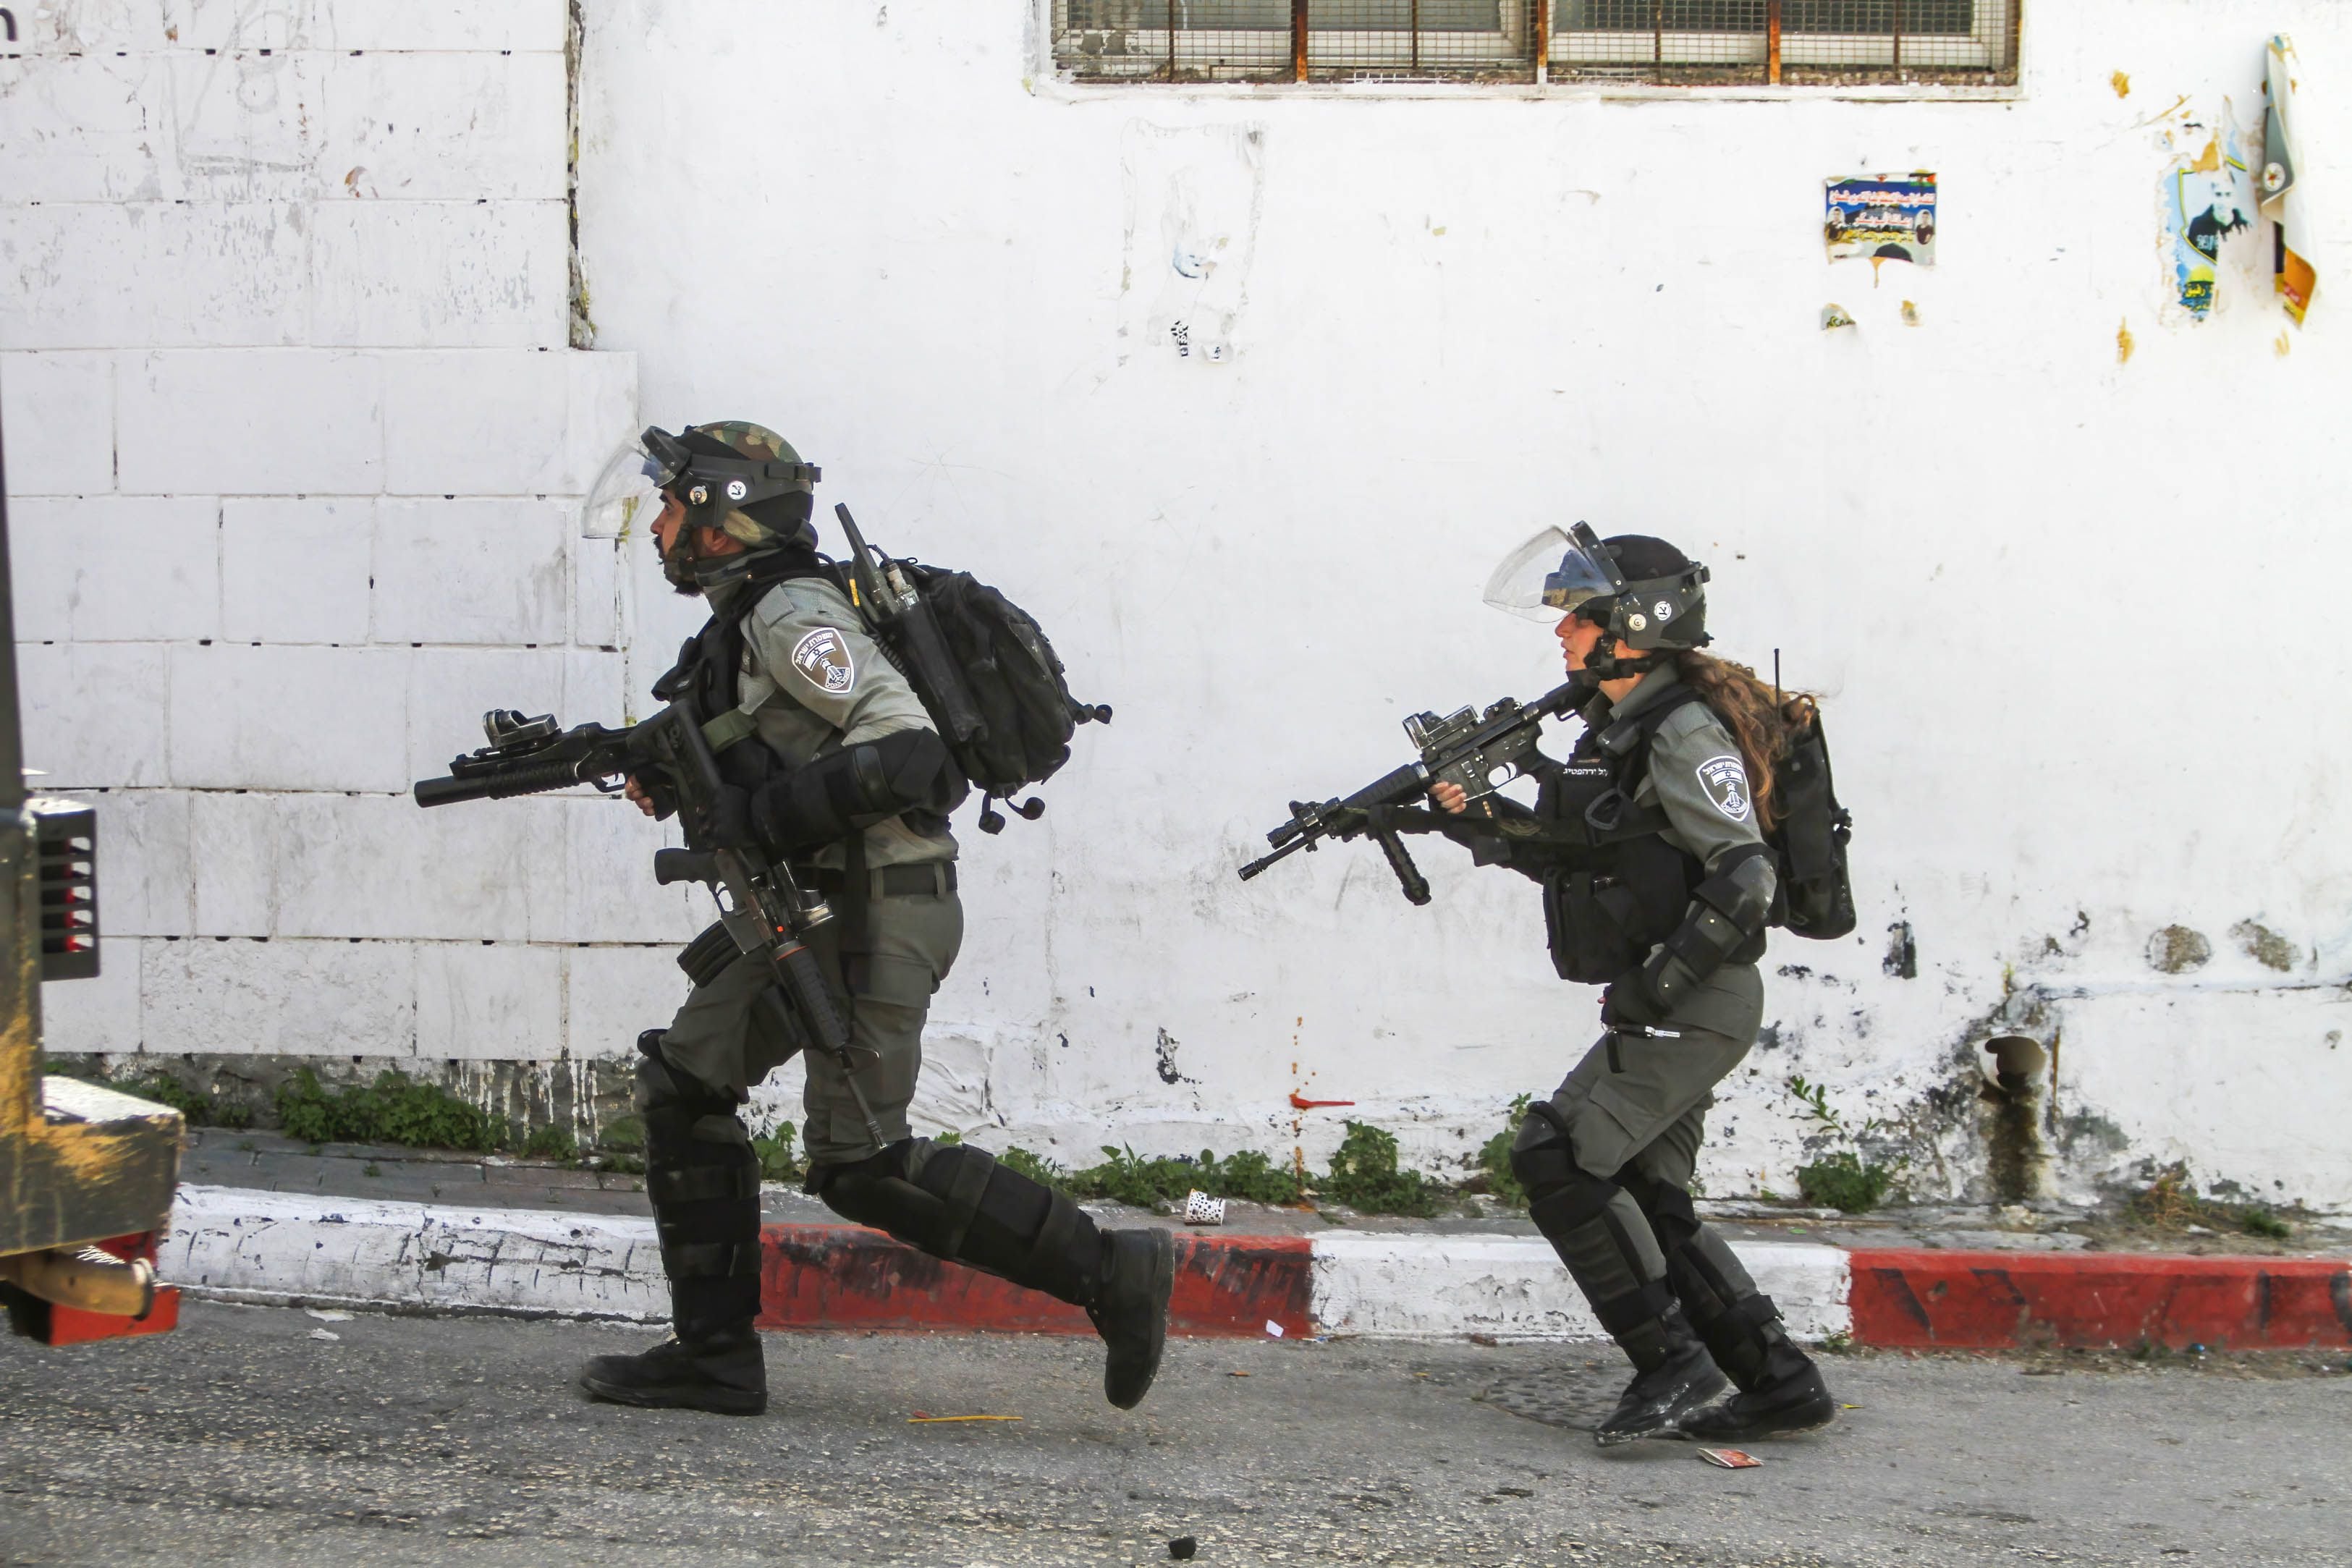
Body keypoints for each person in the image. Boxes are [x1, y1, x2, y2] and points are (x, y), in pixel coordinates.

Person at [574, 422, 1173, 1417]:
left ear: (723, 520)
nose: (662, 524)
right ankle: (713, 1356)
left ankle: (1110, 1267)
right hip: (809, 910)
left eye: (675, 504)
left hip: (871, 911)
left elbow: (910, 753)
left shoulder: (793, 615)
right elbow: (765, 745)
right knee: (685, 1082)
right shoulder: (746, 617)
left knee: (861, 1167)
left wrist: (754, 814)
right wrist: (652, 761)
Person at [1428, 525, 1836, 1446]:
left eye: (1578, 615)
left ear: (1634, 624)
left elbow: (1744, 877)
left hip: (1695, 1000)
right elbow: (1592, 859)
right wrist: (1475, 817)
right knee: (1650, 1193)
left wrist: (1656, 988)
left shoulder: (1684, 728)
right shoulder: (1625, 729)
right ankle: (1778, 1379)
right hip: (1679, 999)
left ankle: (1672, 1364)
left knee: (1557, 1155)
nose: (1562, 634)